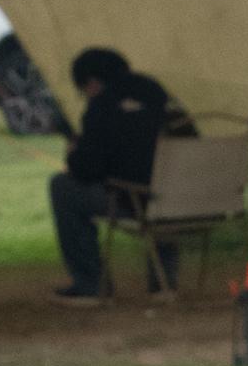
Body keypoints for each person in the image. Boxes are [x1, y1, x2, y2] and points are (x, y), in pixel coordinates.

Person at [47, 46, 181, 299]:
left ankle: (90, 284)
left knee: (62, 187)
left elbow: (87, 169)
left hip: (133, 200)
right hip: (187, 197)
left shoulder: (102, 107)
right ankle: (164, 281)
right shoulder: (158, 94)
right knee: (161, 184)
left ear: (92, 83)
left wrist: (74, 151)